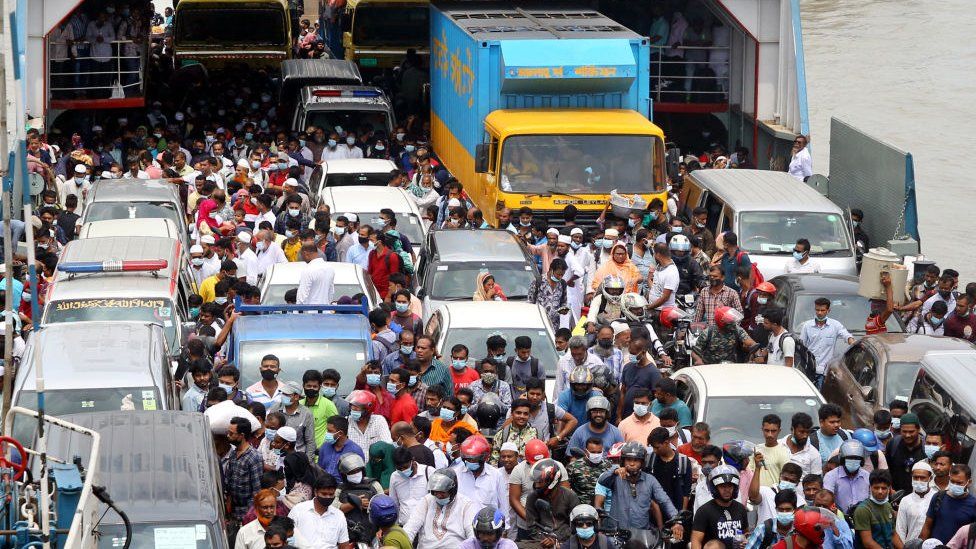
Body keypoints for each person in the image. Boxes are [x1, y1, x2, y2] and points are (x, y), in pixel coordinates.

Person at [594, 442, 684, 535]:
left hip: (641, 535)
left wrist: (676, 521)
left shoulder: (650, 480)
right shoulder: (615, 477)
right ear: (623, 461)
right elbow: (602, 480)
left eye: (636, 460)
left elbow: (665, 501)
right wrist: (615, 470)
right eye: (628, 460)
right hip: (616, 534)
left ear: (642, 462)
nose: (632, 463)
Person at [402, 468, 480, 549]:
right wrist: (402, 543)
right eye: (436, 492)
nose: (438, 495)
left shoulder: (466, 504)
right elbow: (411, 526)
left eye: (442, 492)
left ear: (452, 490)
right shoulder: (426, 501)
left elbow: (472, 535)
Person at [800, 298, 855, 387]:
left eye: (822, 310)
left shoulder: (835, 325)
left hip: (825, 372)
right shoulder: (807, 326)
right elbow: (801, 346)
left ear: (828, 311)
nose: (819, 313)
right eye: (817, 310)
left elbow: (846, 335)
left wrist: (851, 341)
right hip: (809, 370)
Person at [690, 464, 748, 549]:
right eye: (722, 486)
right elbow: (696, 541)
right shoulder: (704, 511)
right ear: (715, 488)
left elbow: (746, 533)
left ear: (734, 487)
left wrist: (746, 540)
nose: (727, 490)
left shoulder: (741, 508)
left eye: (730, 486)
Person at [288, 475, 351, 549]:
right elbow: (286, 535)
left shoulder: (339, 515)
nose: (328, 497)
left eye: (331, 494)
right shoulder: (298, 510)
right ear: (315, 492)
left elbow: (344, 545)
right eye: (324, 494)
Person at [920, 464, 976, 543]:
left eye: (959, 483)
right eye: (952, 481)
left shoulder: (973, 504)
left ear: (969, 482)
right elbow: (927, 526)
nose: (955, 485)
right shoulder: (939, 497)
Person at [227, 417, 265, 526]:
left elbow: (257, 491)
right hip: (233, 512)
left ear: (241, 436)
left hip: (247, 513)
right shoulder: (233, 454)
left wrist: (250, 514)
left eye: (231, 433)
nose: (228, 436)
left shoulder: (254, 457)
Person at [646, 427, 694, 512]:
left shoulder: (683, 461)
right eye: (653, 447)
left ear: (666, 442)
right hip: (654, 513)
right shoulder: (649, 460)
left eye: (657, 447)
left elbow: (686, 492)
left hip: (676, 510)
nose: (654, 450)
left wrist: (681, 515)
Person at [692, 306, 756, 365]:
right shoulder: (707, 333)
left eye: (733, 321)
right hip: (710, 366)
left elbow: (751, 343)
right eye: (730, 323)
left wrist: (757, 354)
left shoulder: (737, 330)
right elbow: (694, 352)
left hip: (730, 366)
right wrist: (699, 360)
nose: (733, 325)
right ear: (722, 323)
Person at [894, 462, 935, 548]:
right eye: (916, 477)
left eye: (923, 478)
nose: (919, 480)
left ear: (930, 478)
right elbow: (900, 529)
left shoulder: (936, 497)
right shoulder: (905, 500)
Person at [823, 440, 870, 514]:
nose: (853, 461)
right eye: (850, 458)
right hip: (839, 517)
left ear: (862, 461)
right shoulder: (831, 476)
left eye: (856, 458)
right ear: (842, 459)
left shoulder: (867, 476)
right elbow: (827, 500)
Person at [851, 469, 895, 549]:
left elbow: (893, 535)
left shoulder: (888, 506)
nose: (880, 491)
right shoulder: (863, 510)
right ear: (870, 488)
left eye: (884, 488)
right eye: (876, 488)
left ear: (889, 489)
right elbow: (868, 542)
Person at [884, 413, 926, 492]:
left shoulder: (925, 449)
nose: (907, 435)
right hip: (895, 496)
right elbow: (887, 470)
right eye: (904, 431)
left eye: (911, 432)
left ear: (918, 429)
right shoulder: (893, 444)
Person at [317, 416, 365, 483]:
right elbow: (320, 469)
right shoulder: (325, 446)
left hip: (344, 488)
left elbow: (358, 477)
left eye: (330, 431)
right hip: (325, 487)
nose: (327, 434)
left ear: (340, 433)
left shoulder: (355, 451)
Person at [567, 438, 613, 506]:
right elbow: (566, 490)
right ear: (586, 451)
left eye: (599, 452)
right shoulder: (573, 467)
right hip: (581, 508)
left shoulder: (609, 466)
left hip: (602, 509)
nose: (596, 455)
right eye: (593, 452)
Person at [782, 412, 823, 476]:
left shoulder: (814, 454)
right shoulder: (779, 445)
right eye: (801, 432)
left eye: (807, 432)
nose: (805, 436)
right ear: (792, 429)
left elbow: (815, 480)